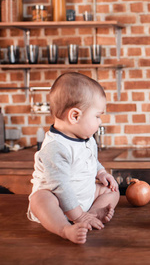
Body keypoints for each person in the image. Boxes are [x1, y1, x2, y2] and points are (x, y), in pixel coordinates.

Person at [27, 72, 119, 244]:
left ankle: (92, 214)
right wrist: (78, 216)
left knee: (111, 191)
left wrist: (101, 173)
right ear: (75, 116)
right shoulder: (56, 148)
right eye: (97, 116)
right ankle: (64, 228)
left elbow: (91, 159)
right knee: (39, 199)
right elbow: (61, 188)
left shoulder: (86, 138)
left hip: (82, 197)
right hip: (58, 205)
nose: (100, 122)